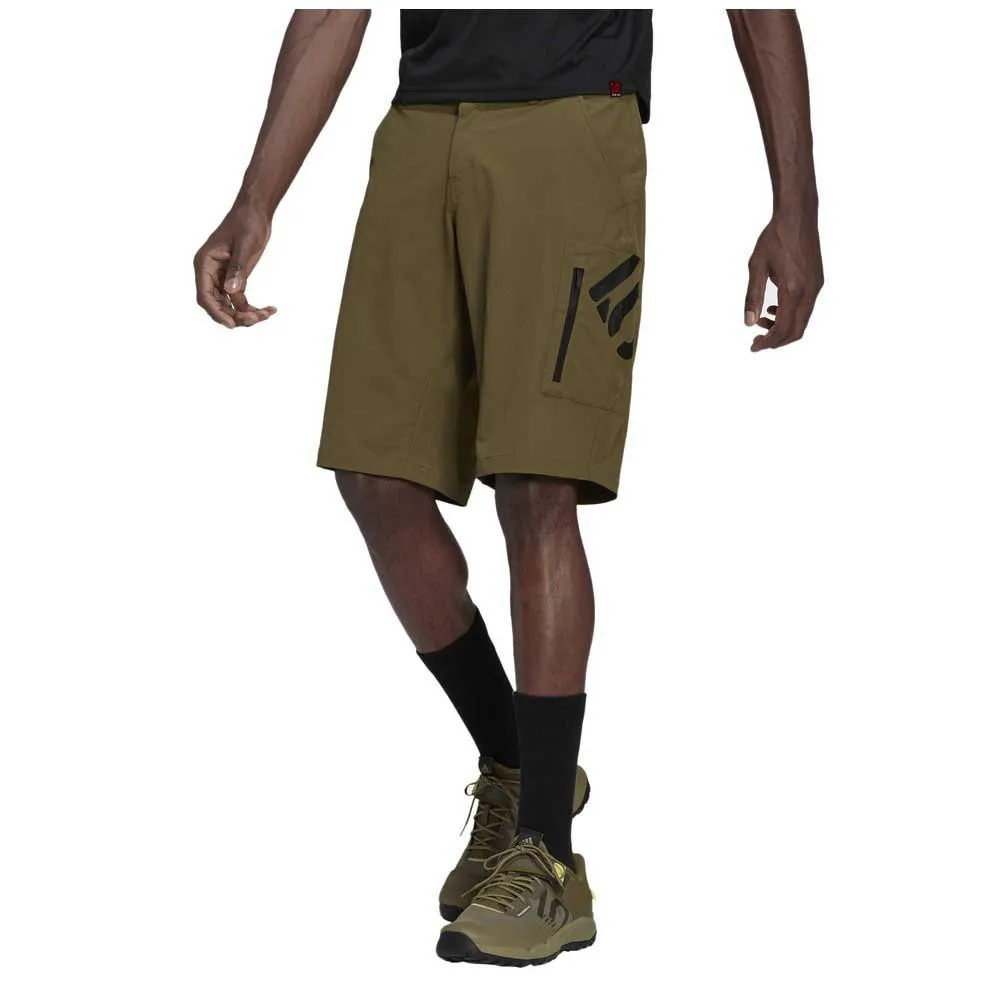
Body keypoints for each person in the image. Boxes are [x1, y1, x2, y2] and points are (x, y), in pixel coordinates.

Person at [193, 9, 823, 966]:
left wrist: (796, 208)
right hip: (421, 123)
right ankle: (521, 763)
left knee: (536, 485)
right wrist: (256, 200)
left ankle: (549, 861)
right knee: (375, 475)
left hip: (572, 123)